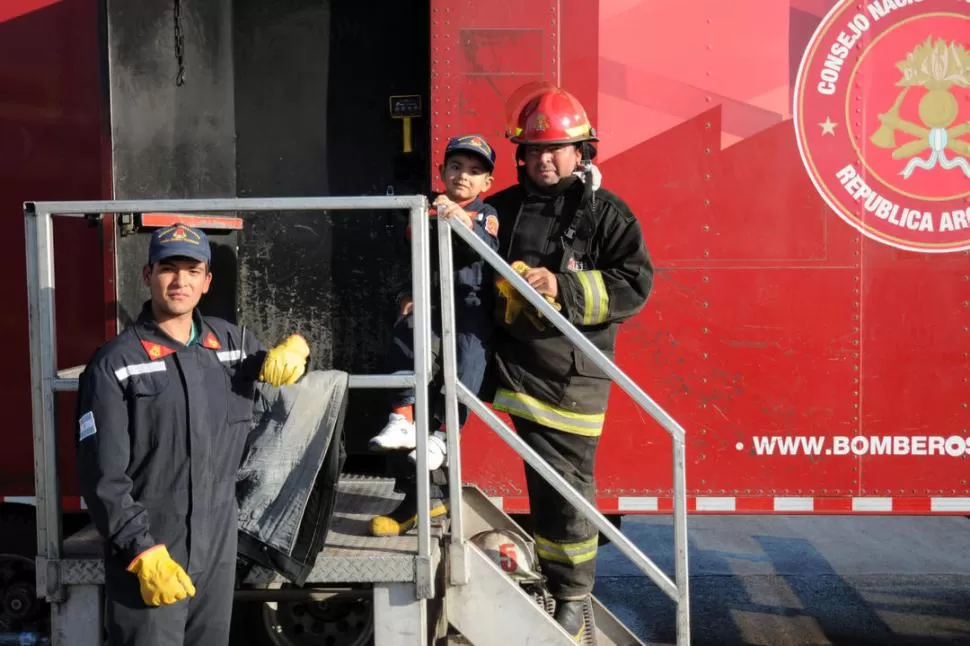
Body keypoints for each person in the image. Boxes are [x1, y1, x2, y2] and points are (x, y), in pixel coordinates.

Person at [76, 223, 311, 646]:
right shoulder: (116, 364)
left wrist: (297, 347)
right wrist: (140, 549)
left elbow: (282, 366)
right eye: (169, 268)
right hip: (151, 548)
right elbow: (102, 476)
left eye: (192, 269)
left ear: (207, 280)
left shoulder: (232, 344)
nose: (180, 280)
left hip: (217, 545)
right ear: (148, 275)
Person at [485, 84, 653, 641]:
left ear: (583, 153)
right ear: (520, 155)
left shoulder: (606, 215)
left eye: (558, 148)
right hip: (500, 360)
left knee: (562, 490)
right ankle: (427, 507)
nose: (546, 159)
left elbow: (635, 284)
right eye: (535, 150)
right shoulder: (501, 208)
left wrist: (563, 286)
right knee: (432, 402)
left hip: (567, 376)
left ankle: (569, 595)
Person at [368, 134, 500, 536]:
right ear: (441, 172)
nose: (463, 176)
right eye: (456, 168)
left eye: (474, 171)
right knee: (405, 342)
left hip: (470, 314)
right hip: (429, 306)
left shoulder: (486, 213)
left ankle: (444, 437)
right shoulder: (424, 207)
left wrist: (454, 216)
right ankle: (402, 417)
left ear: (486, 184)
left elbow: (484, 245)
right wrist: (406, 293)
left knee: (465, 375)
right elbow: (406, 249)